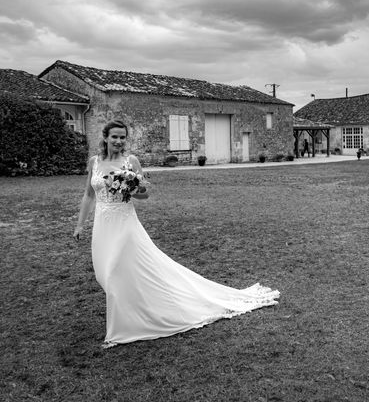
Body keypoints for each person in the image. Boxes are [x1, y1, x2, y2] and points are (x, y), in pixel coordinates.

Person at [73, 120, 279, 348]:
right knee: (105, 274)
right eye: (114, 137)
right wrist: (80, 225)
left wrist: (130, 187)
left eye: (123, 137)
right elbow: (89, 195)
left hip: (125, 224)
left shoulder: (131, 162)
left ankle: (121, 329)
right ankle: (136, 308)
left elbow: (143, 196)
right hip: (103, 225)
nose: (119, 141)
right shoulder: (95, 162)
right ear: (105, 137)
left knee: (112, 273)